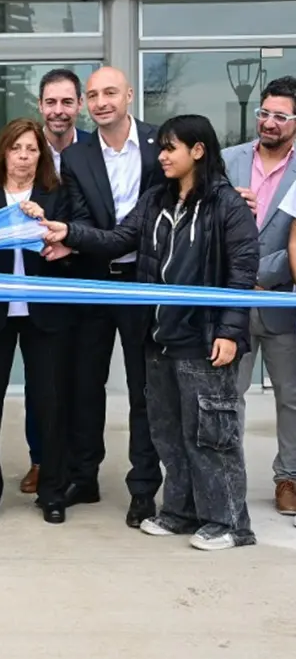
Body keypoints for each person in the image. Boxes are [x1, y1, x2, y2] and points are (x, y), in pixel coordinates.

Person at [43, 114, 260, 551]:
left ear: (197, 151)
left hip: (203, 338)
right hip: (158, 336)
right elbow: (119, 237)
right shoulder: (156, 199)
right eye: (160, 147)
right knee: (168, 431)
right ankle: (180, 512)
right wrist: (71, 233)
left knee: (210, 434)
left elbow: (242, 273)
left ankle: (230, 522)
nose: (160, 156)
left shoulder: (227, 205)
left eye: (169, 148)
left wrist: (230, 332)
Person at [59, 66, 163, 528]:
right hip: (94, 281)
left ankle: (143, 487)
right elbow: (82, 218)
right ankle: (84, 476)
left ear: (130, 96)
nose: (101, 102)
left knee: (145, 389)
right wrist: (82, 238)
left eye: (110, 93)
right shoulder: (76, 156)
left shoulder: (162, 145)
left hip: (146, 282)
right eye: (94, 95)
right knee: (85, 385)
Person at [0, 119, 72, 525]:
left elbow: (72, 248)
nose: (24, 156)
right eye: (16, 148)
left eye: (32, 149)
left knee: (50, 405)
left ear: (41, 155)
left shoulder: (57, 196)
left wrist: (43, 225)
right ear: (2, 152)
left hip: (46, 314)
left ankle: (52, 493)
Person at [223, 76, 296, 516]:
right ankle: (228, 476)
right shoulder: (228, 162)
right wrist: (227, 202)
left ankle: (288, 477)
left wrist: (261, 276)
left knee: (291, 396)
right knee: (229, 395)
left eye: (280, 116)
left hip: (283, 301)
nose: (268, 122)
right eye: (264, 113)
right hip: (231, 302)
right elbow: (205, 218)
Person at [18, 68, 90, 495]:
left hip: (87, 273)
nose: (58, 111)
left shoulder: (92, 153)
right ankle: (41, 460)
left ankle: (80, 467)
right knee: (40, 380)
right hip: (37, 282)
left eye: (67, 102)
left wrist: (75, 245)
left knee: (81, 379)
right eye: (50, 102)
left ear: (78, 105)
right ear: (40, 106)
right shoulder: (26, 150)